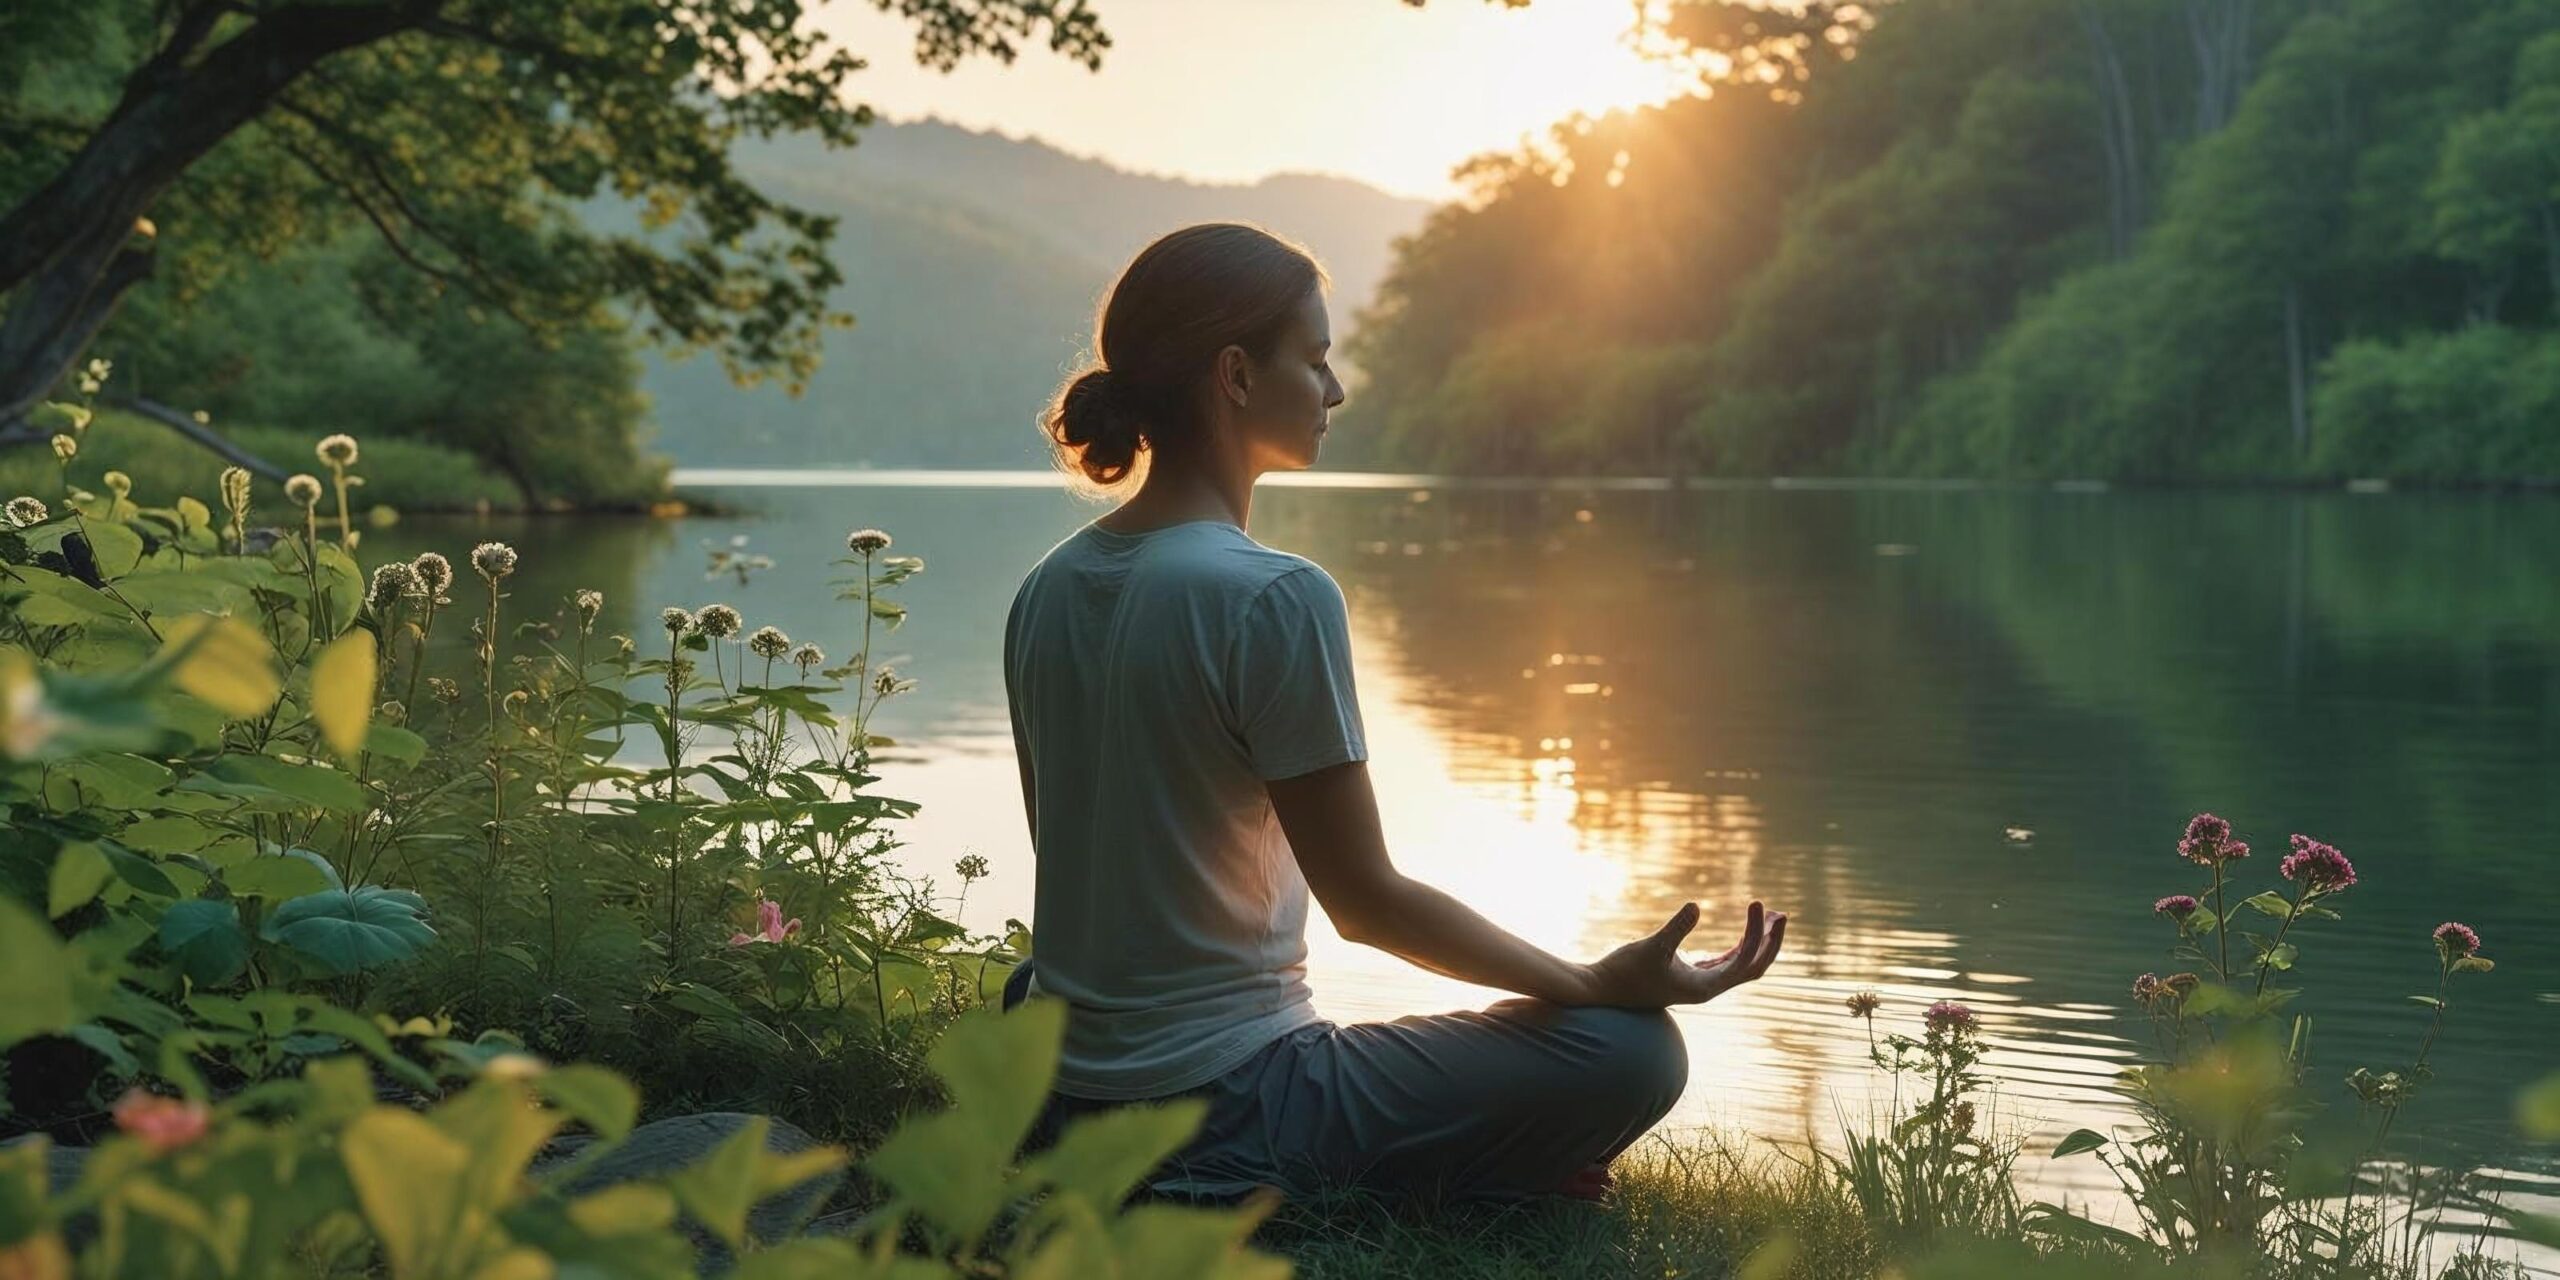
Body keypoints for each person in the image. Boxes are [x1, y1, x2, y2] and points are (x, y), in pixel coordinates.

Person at [1001, 222, 1788, 1204]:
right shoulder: (1271, 595)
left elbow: (1073, 865)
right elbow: (1364, 903)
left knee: (1032, 983)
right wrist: (1591, 981)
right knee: (1632, 1051)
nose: (1334, 391)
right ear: (1236, 374)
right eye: (1317, 361)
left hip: (1060, 1090)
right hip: (1225, 1096)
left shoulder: (1045, 586)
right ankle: (1266, 1174)